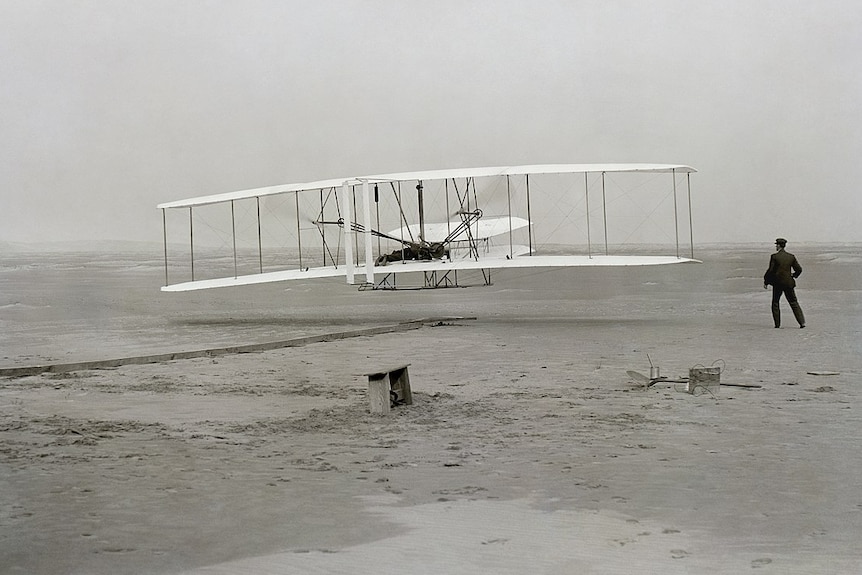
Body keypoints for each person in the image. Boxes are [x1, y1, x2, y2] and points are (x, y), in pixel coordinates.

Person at [763, 238, 806, 328]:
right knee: (793, 302)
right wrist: (794, 276)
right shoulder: (791, 256)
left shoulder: (774, 256)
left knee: (775, 303)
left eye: (776, 245)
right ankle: (802, 323)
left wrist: (766, 281)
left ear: (778, 245)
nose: (776, 246)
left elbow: (770, 270)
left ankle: (777, 324)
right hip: (789, 283)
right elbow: (799, 269)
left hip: (777, 283)